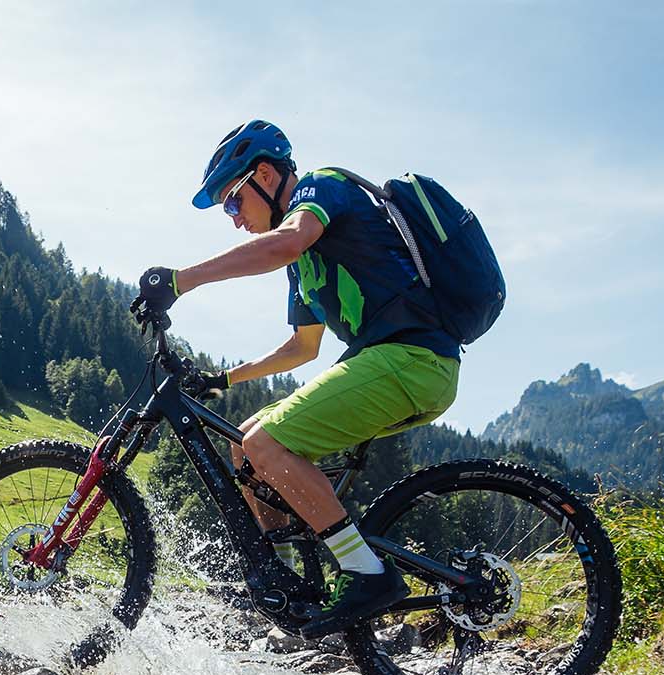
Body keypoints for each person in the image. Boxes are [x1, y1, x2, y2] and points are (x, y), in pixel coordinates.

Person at [131, 120, 461, 638]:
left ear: (264, 174)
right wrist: (219, 379)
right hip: (389, 366)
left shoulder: (321, 188)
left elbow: (287, 240)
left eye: (233, 203)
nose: (234, 220)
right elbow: (301, 349)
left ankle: (365, 573)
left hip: (412, 360)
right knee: (247, 445)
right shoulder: (301, 263)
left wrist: (180, 281)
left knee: (266, 443)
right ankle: (285, 580)